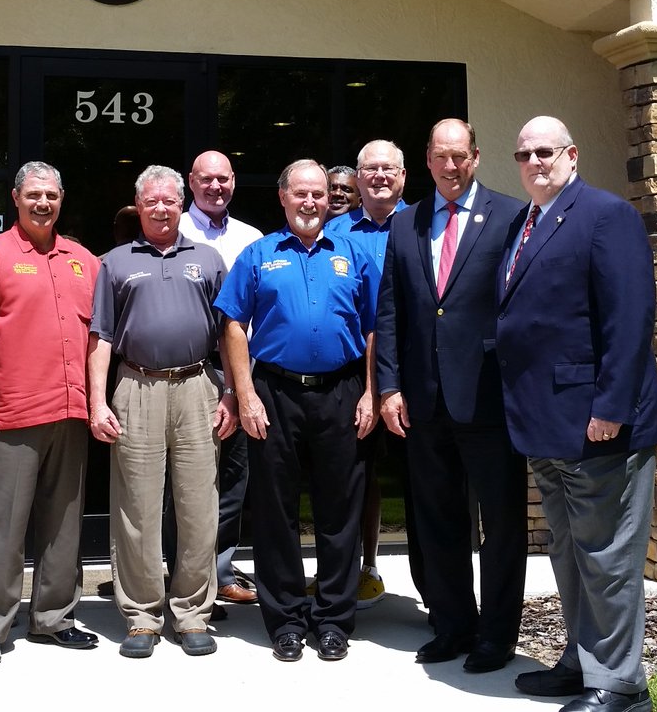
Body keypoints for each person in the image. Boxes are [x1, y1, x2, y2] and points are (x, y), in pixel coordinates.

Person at [499, 116, 657, 712]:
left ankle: (621, 686)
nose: (534, 163)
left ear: (571, 154)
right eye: (524, 155)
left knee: (608, 557)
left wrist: (612, 407)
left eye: (545, 152)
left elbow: (630, 318)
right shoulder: (525, 222)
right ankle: (582, 660)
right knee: (569, 553)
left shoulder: (605, 214)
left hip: (599, 423)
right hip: (547, 424)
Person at [376, 119, 529, 671]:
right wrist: (389, 386)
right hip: (425, 400)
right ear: (427, 160)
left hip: (489, 397)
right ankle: (452, 626)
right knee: (437, 521)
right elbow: (390, 311)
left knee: (501, 523)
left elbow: (522, 305)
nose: (449, 166)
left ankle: (496, 636)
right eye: (440, 156)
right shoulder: (406, 223)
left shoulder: (510, 216)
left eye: (459, 156)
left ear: (476, 157)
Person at [215, 159, 379, 663]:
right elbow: (233, 324)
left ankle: (333, 620)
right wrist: (245, 395)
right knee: (274, 512)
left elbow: (375, 326)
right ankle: (285, 620)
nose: (311, 202)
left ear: (329, 200)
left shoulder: (352, 253)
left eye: (319, 194)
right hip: (274, 393)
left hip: (342, 391)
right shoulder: (259, 254)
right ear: (283, 198)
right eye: (301, 193)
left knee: (340, 511)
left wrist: (372, 392)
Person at [0, 161, 102, 668]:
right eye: (33, 194)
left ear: (61, 200)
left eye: (51, 195)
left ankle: (54, 617)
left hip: (69, 411)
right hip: (8, 414)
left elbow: (100, 333)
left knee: (63, 525)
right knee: (0, 526)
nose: (43, 203)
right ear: (16, 198)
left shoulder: (83, 260)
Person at [88, 165, 236, 659]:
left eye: (169, 200)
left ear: (181, 205)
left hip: (197, 387)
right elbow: (100, 337)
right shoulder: (115, 263)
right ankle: (142, 615)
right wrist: (97, 401)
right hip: (136, 386)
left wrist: (232, 393)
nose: (160, 209)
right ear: (138, 206)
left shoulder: (209, 259)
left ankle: (192, 613)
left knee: (198, 505)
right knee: (137, 507)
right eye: (151, 201)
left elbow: (229, 333)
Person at [323, 141, 411, 609]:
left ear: (403, 175)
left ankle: (434, 589)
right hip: (353, 368)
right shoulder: (334, 231)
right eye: (370, 169)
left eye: (388, 168)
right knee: (354, 470)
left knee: (421, 479)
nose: (378, 176)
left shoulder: (423, 223)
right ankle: (349, 571)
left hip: (414, 368)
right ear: (358, 178)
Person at [176, 150, 263, 608]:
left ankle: (219, 570)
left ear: (233, 182)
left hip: (243, 371)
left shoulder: (252, 238)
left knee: (233, 477)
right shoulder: (173, 229)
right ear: (191, 182)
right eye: (206, 179)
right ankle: (179, 575)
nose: (215, 187)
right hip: (188, 369)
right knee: (183, 479)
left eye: (223, 179)